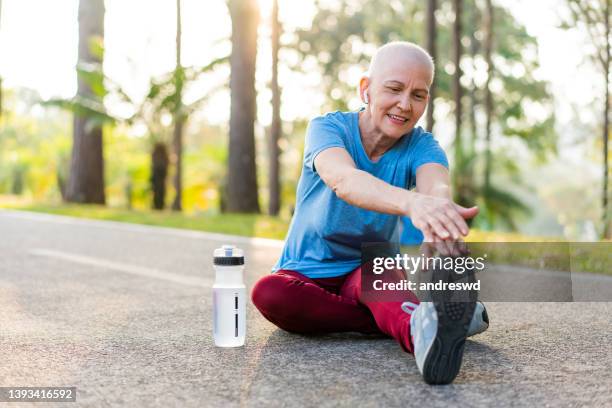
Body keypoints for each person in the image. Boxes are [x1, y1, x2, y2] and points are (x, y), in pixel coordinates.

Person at [251, 41, 488, 385]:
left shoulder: (423, 146)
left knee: (381, 279)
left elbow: (435, 186)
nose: (405, 105)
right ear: (366, 89)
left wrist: (438, 215)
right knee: (270, 293)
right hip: (305, 272)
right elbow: (344, 180)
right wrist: (411, 204)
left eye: (419, 95)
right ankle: (428, 318)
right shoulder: (328, 129)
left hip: (371, 267)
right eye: (394, 89)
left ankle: (420, 330)